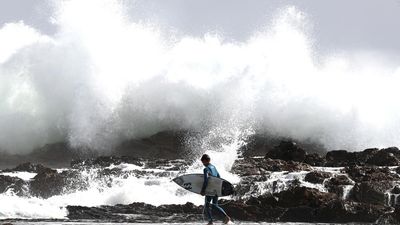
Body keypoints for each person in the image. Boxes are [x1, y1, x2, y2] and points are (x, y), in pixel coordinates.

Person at [200, 154, 231, 225]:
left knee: (207, 205)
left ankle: (210, 221)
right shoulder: (214, 167)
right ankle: (226, 217)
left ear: (204, 161)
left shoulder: (206, 169)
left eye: (202, 162)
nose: (203, 164)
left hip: (210, 189)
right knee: (215, 205)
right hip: (216, 189)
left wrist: (203, 190)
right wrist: (219, 188)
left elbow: (206, 180)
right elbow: (219, 177)